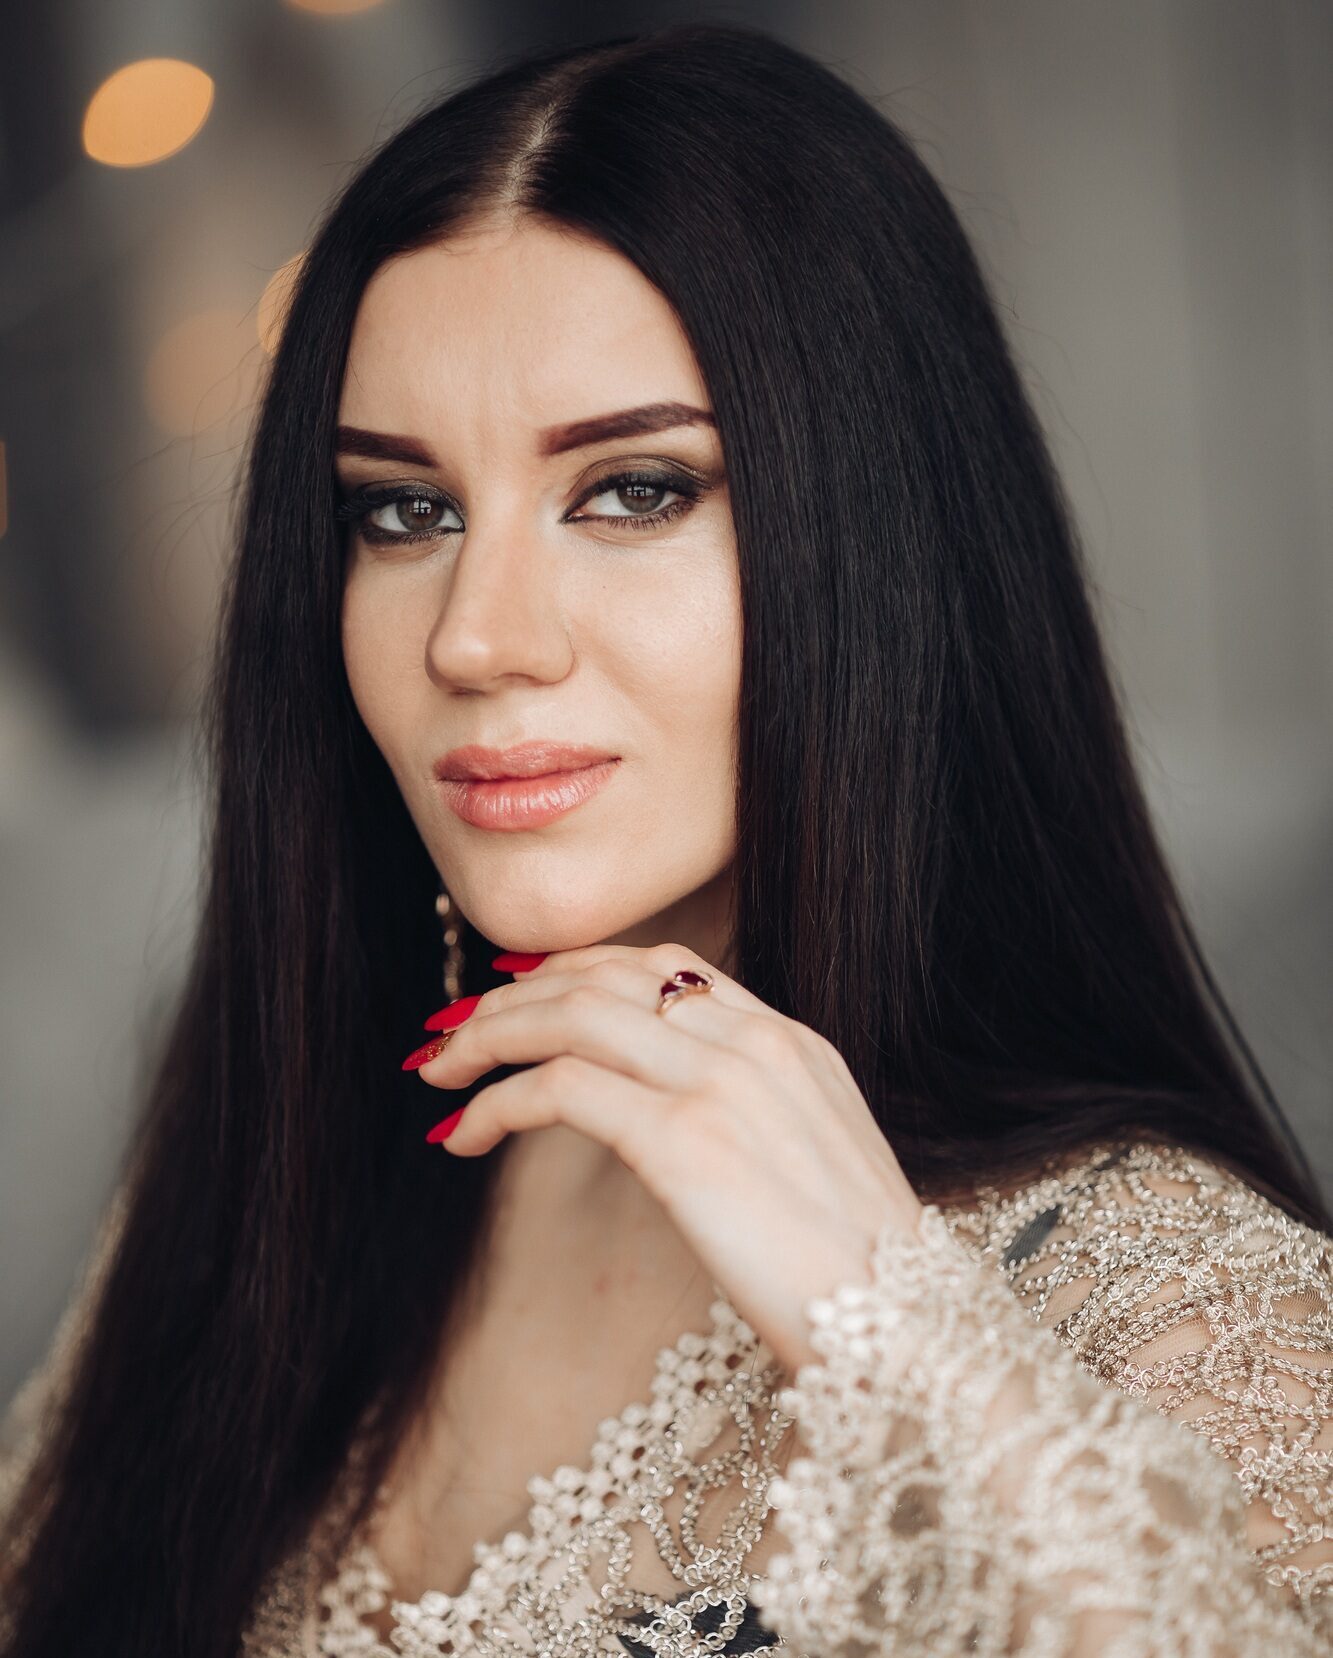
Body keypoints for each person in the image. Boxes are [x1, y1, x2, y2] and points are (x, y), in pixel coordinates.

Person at [2, 21, 1330, 1657]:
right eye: (401, 510)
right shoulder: (274, 1163)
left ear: (880, 545)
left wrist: (884, 1321)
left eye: (631, 489)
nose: (478, 638)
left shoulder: (1166, 1295)